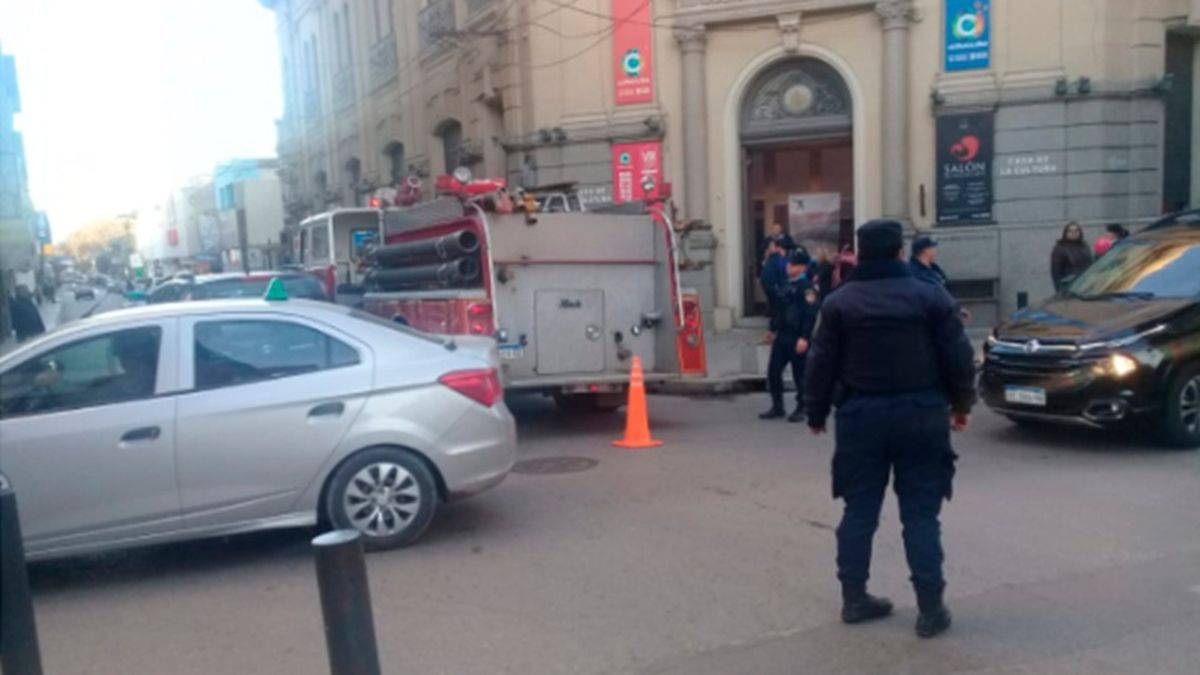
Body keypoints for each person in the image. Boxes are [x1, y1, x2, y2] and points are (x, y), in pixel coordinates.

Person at [804, 220, 976, 638]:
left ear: (860, 256)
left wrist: (815, 412)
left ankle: (854, 598)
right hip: (921, 412)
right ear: (901, 252)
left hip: (860, 416)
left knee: (859, 510)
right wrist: (961, 404)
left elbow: (821, 362)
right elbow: (957, 355)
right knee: (920, 514)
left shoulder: (840, 302)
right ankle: (930, 608)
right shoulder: (930, 296)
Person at [760, 248, 819, 423]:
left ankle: (802, 407)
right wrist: (772, 329)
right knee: (774, 371)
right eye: (789, 263)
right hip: (783, 335)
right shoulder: (786, 284)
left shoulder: (807, 288)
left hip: (797, 336)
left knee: (799, 375)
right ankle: (777, 406)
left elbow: (810, 314)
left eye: (792, 264)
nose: (788, 266)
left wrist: (805, 337)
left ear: (801, 267)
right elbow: (778, 310)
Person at [1050, 222, 1092, 291]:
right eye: (1070, 231)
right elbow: (1055, 272)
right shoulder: (1060, 248)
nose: (1074, 233)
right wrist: (1060, 290)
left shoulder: (1084, 246)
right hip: (1068, 286)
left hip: (1085, 285)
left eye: (1076, 231)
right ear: (1066, 233)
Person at [760, 239, 789, 317]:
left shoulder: (778, 259)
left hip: (776, 288)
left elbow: (784, 273)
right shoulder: (771, 259)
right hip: (771, 288)